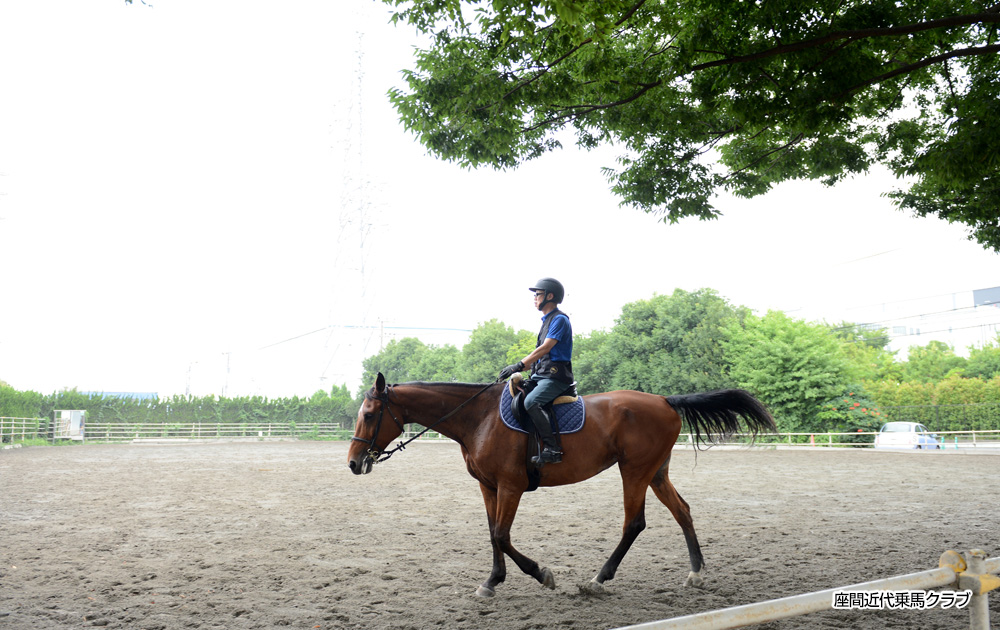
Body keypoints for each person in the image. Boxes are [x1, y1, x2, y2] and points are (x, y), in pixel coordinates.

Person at [498, 278, 574, 465]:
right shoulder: (547, 321)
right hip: (541, 375)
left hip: (556, 377)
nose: (534, 298)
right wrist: (517, 368)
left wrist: (518, 363)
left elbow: (545, 348)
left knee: (532, 402)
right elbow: (540, 358)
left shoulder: (559, 319)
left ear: (549, 296)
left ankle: (552, 449)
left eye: (537, 294)